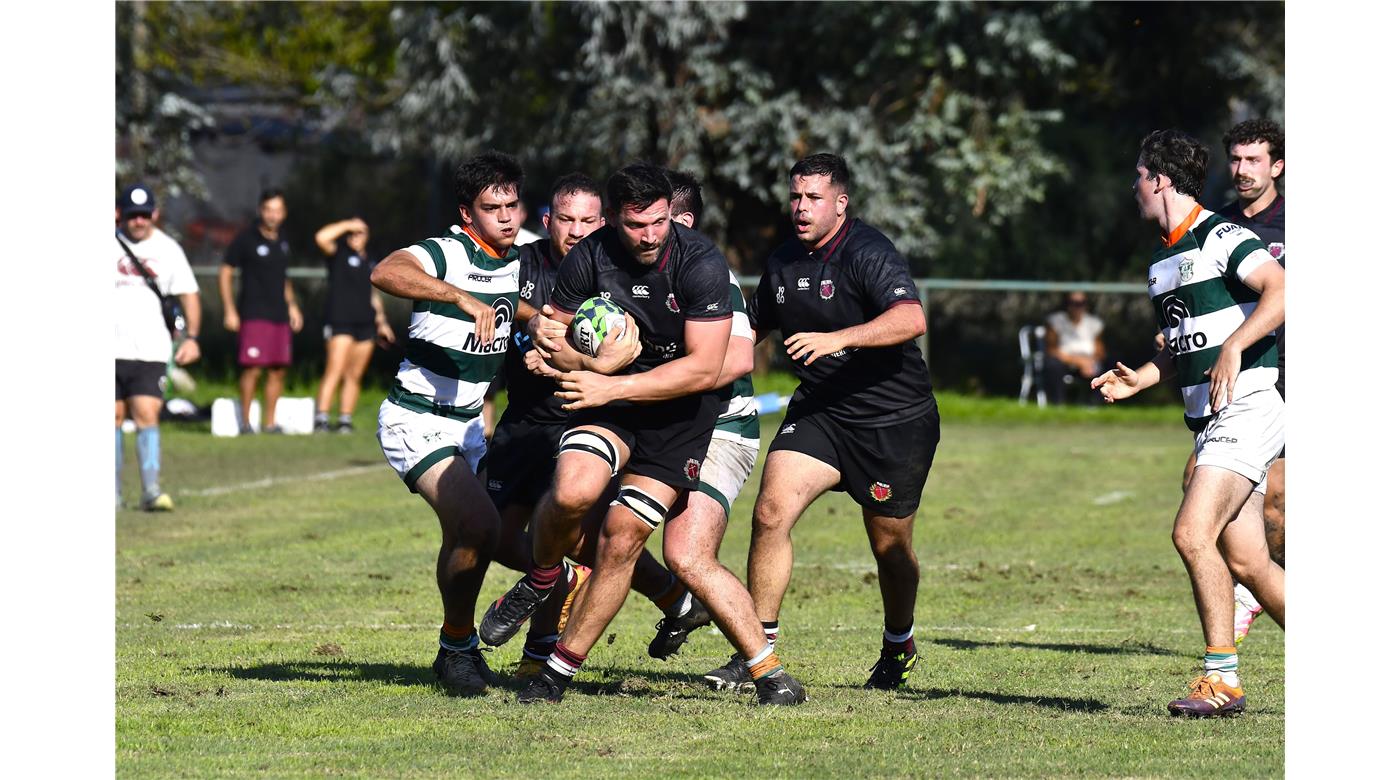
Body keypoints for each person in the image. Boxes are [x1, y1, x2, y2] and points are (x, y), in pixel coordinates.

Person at [480, 163, 805, 706]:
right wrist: (596, 359)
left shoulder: (700, 263)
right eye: (637, 225)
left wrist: (607, 382)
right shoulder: (590, 256)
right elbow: (550, 338)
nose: (652, 234)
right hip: (617, 402)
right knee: (571, 492)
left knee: (625, 535)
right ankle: (542, 579)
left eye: (660, 222)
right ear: (615, 220)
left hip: (684, 416)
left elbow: (708, 368)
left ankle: (558, 674)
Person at [480, 172, 711, 678]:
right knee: (496, 535)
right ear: (547, 222)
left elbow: (627, 358)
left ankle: (539, 655)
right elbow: (512, 314)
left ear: (603, 223)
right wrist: (532, 327)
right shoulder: (523, 265)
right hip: (525, 420)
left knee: (581, 526)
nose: (577, 230)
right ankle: (670, 595)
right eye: (566, 219)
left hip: (585, 416)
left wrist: (582, 363)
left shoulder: (624, 269)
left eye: (588, 220)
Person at [1093, 129, 1284, 717]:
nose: (1134, 188)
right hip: (1209, 417)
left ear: (1161, 179)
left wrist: (1237, 347)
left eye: (1139, 177)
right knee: (1249, 560)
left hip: (1250, 404)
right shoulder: (1162, 261)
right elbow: (1185, 343)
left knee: (1190, 533)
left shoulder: (1222, 235)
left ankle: (1221, 679)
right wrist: (1146, 377)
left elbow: (1281, 290)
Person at [731, 153, 940, 691]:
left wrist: (839, 338)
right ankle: (758, 650)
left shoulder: (868, 251)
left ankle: (899, 643)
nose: (800, 208)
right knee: (772, 511)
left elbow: (910, 317)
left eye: (813, 198)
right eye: (795, 197)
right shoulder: (781, 262)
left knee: (889, 548)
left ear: (840, 203)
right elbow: (750, 333)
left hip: (892, 420)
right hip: (822, 412)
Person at [367, 151, 526, 696]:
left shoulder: (523, 253)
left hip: (470, 428)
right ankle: (458, 645)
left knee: (482, 535)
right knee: (479, 526)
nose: (505, 217)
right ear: (467, 214)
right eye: (491, 208)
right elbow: (386, 270)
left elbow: (522, 303)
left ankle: (457, 648)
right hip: (417, 420)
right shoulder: (446, 251)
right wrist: (460, 296)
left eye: (511, 204)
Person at [1158, 119, 1286, 645]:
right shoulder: (1218, 226)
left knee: (1260, 507)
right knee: (1206, 488)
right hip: (1236, 387)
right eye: (1235, 159)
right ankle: (1253, 584)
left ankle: (1228, 650)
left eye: (1254, 160)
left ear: (1277, 166)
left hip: (1278, 383)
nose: (1242, 170)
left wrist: (1236, 344)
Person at [656, 170, 782, 698]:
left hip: (719, 432)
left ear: (680, 221)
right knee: (593, 526)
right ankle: (680, 603)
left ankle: (765, 667)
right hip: (657, 429)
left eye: (651, 218)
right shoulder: (626, 268)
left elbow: (734, 360)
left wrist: (650, 381)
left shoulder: (712, 276)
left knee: (686, 553)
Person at [115, 183, 202, 511]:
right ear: (120, 214)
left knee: (147, 413)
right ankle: (112, 494)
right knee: (112, 416)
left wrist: (192, 338)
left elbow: (189, 294)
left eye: (144, 215)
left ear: (154, 214)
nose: (139, 221)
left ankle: (150, 489)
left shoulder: (168, 249)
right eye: (132, 215)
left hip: (150, 349)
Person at [219, 188, 304, 434]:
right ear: (261, 210)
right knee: (252, 368)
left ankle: (269, 423)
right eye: (268, 210)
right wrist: (229, 310)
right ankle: (245, 423)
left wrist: (293, 306)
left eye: (277, 210)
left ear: (284, 213)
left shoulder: (284, 240)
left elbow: (283, 278)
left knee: (278, 369)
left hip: (279, 314)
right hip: (253, 313)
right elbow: (225, 272)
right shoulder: (245, 239)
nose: (272, 215)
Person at [312, 217, 396, 433]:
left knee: (354, 375)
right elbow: (321, 237)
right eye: (352, 233)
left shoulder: (370, 261)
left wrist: (382, 322)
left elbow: (373, 296)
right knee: (335, 369)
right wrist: (348, 224)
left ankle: (344, 420)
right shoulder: (338, 254)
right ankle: (321, 418)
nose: (355, 237)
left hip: (365, 324)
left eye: (360, 233)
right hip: (340, 321)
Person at [1043, 291, 1105, 404]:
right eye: (1074, 303)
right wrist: (1077, 361)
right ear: (1067, 304)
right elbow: (1051, 350)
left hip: (1088, 362)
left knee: (1103, 367)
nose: (1078, 307)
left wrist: (1089, 362)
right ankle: (1057, 404)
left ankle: (1095, 405)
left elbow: (1100, 351)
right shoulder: (1056, 321)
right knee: (1053, 365)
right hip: (1063, 361)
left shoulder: (1093, 323)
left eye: (1081, 303)